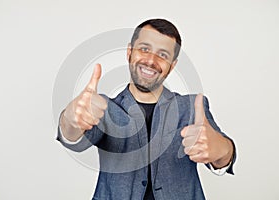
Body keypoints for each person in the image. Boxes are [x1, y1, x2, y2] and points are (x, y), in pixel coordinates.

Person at [57, 18, 236, 200]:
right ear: (129, 52)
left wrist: (221, 149)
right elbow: (73, 139)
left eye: (163, 55)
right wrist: (70, 119)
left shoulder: (191, 108)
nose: (151, 60)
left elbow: (223, 156)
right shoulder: (103, 108)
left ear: (172, 66)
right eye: (144, 49)